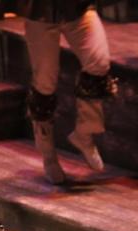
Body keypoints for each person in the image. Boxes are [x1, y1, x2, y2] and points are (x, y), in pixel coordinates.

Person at [21, 0, 113, 183]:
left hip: (79, 8)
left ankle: (85, 132)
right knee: (45, 83)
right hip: (40, 13)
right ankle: (48, 155)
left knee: (99, 62)